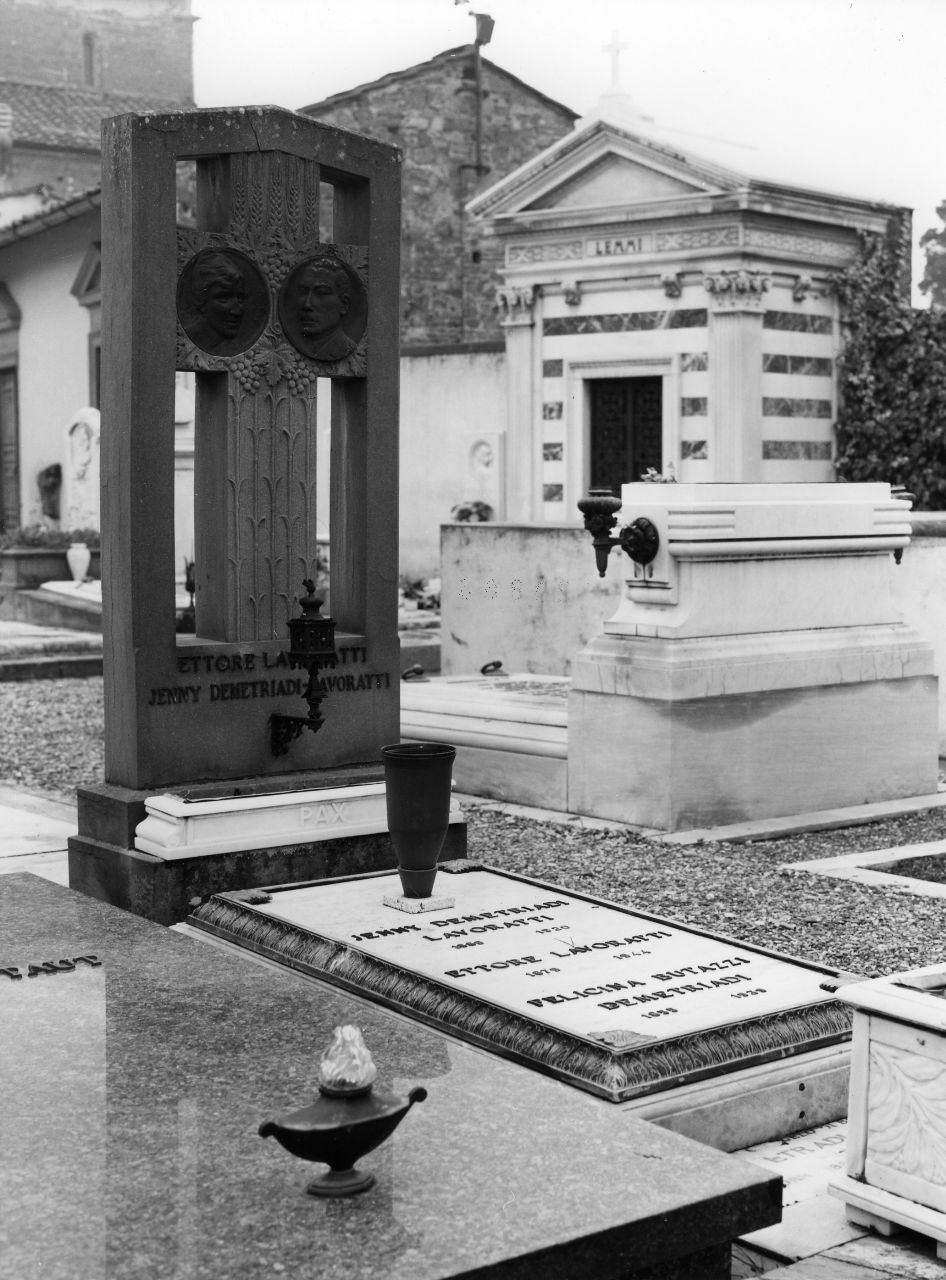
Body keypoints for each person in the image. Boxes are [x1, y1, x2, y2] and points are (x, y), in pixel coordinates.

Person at [288, 257, 357, 361]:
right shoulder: (289, 349)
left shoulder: (348, 350)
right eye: (303, 291)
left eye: (321, 293)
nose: (307, 304)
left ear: (344, 305)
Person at [182, 251, 248, 352]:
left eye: (240, 298)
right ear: (201, 299)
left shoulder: (235, 347)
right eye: (224, 298)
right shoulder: (183, 343)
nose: (237, 311)